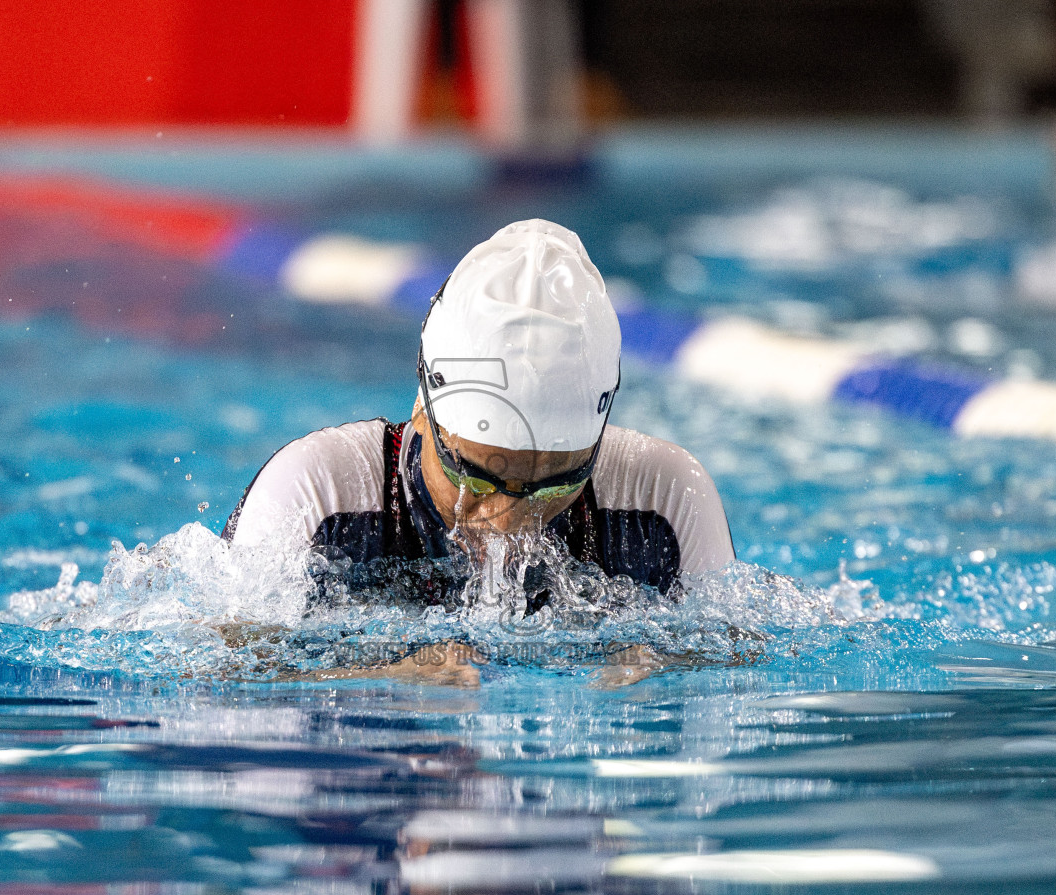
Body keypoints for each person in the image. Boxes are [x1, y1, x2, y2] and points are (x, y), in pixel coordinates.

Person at [221, 219, 735, 681]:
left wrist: (674, 667)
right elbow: (220, 674)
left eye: (556, 483)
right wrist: (378, 680)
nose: (509, 521)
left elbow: (740, 651)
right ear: (424, 409)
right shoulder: (320, 491)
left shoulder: (663, 498)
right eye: (480, 477)